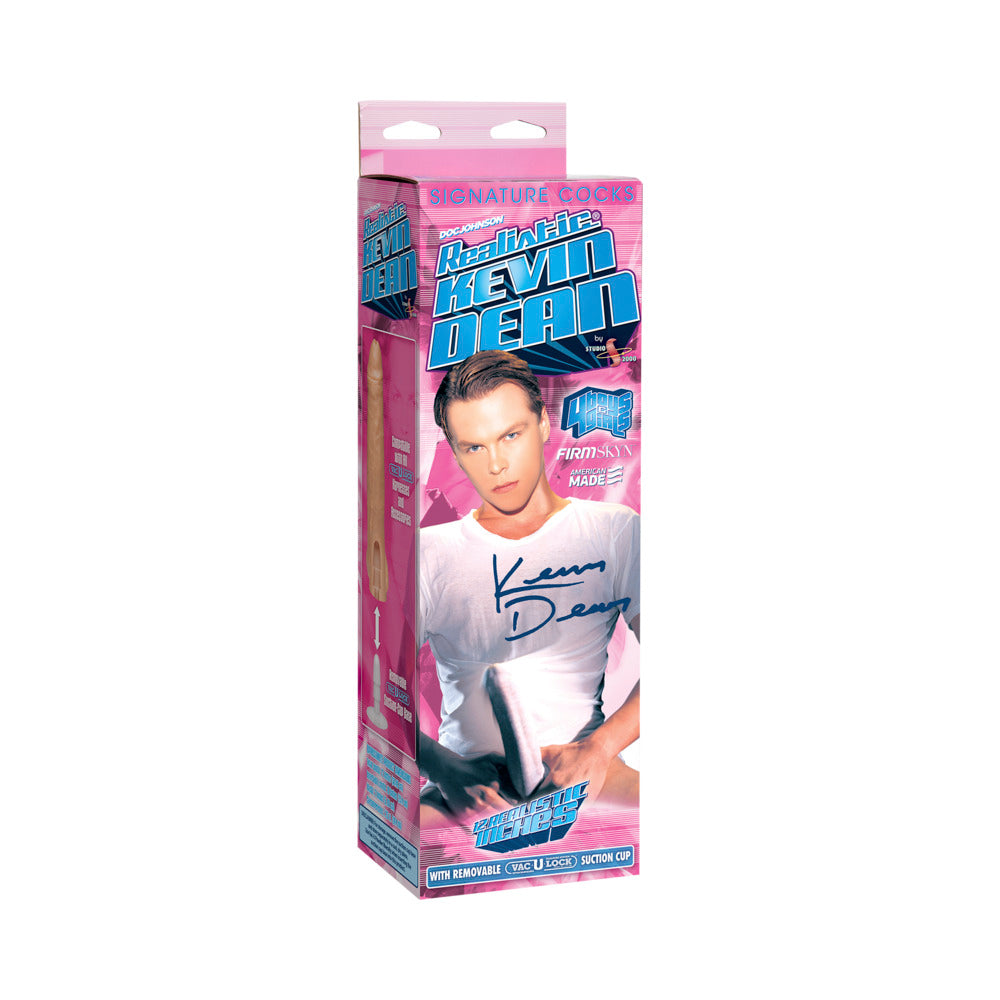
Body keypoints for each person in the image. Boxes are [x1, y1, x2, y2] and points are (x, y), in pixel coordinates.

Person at [418, 350, 640, 827]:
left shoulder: (613, 530)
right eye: (474, 447)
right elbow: (371, 689)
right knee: (415, 833)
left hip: (587, 771)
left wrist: (600, 749)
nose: (496, 464)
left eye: (510, 435)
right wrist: (443, 767)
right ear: (454, 452)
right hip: (466, 788)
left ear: (542, 424)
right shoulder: (430, 553)